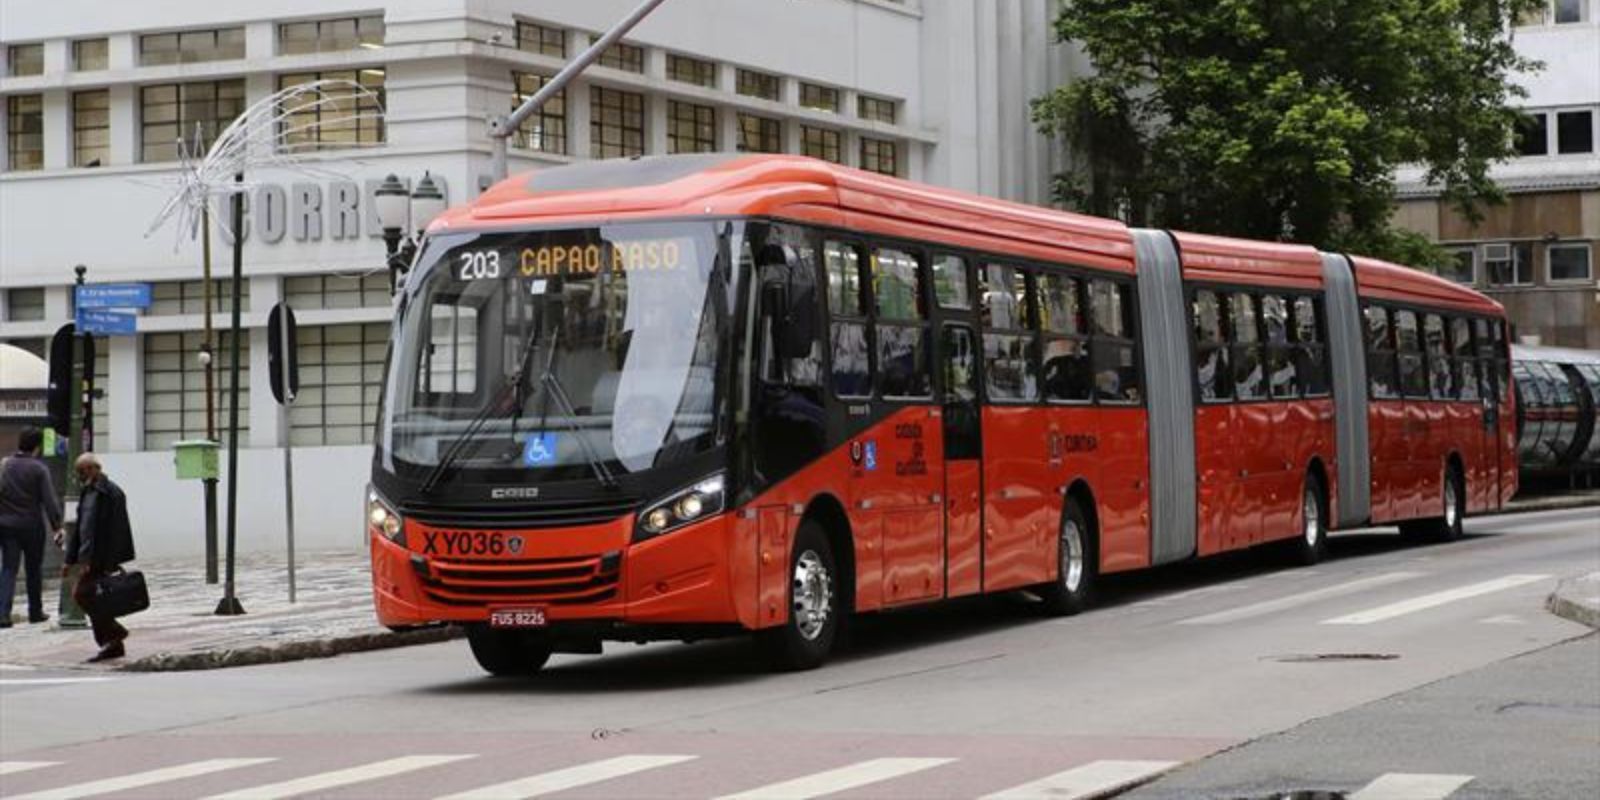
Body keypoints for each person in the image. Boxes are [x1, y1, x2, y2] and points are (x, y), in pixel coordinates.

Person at [65, 453, 136, 662]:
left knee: (85, 595)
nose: (79, 476)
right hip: (89, 557)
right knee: (92, 598)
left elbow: (118, 530)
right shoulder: (88, 492)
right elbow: (80, 529)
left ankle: (113, 636)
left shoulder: (112, 493)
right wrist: (70, 560)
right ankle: (113, 641)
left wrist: (110, 562)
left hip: (102, 557)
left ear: (93, 468)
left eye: (82, 471)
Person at [0, 426, 64, 629]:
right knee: (33, 569)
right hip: (32, 526)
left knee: (8, 568)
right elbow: (49, 501)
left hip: (6, 525)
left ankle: (3, 614)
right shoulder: (38, 469)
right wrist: (57, 526)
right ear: (37, 446)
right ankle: (35, 612)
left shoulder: (5, 465)